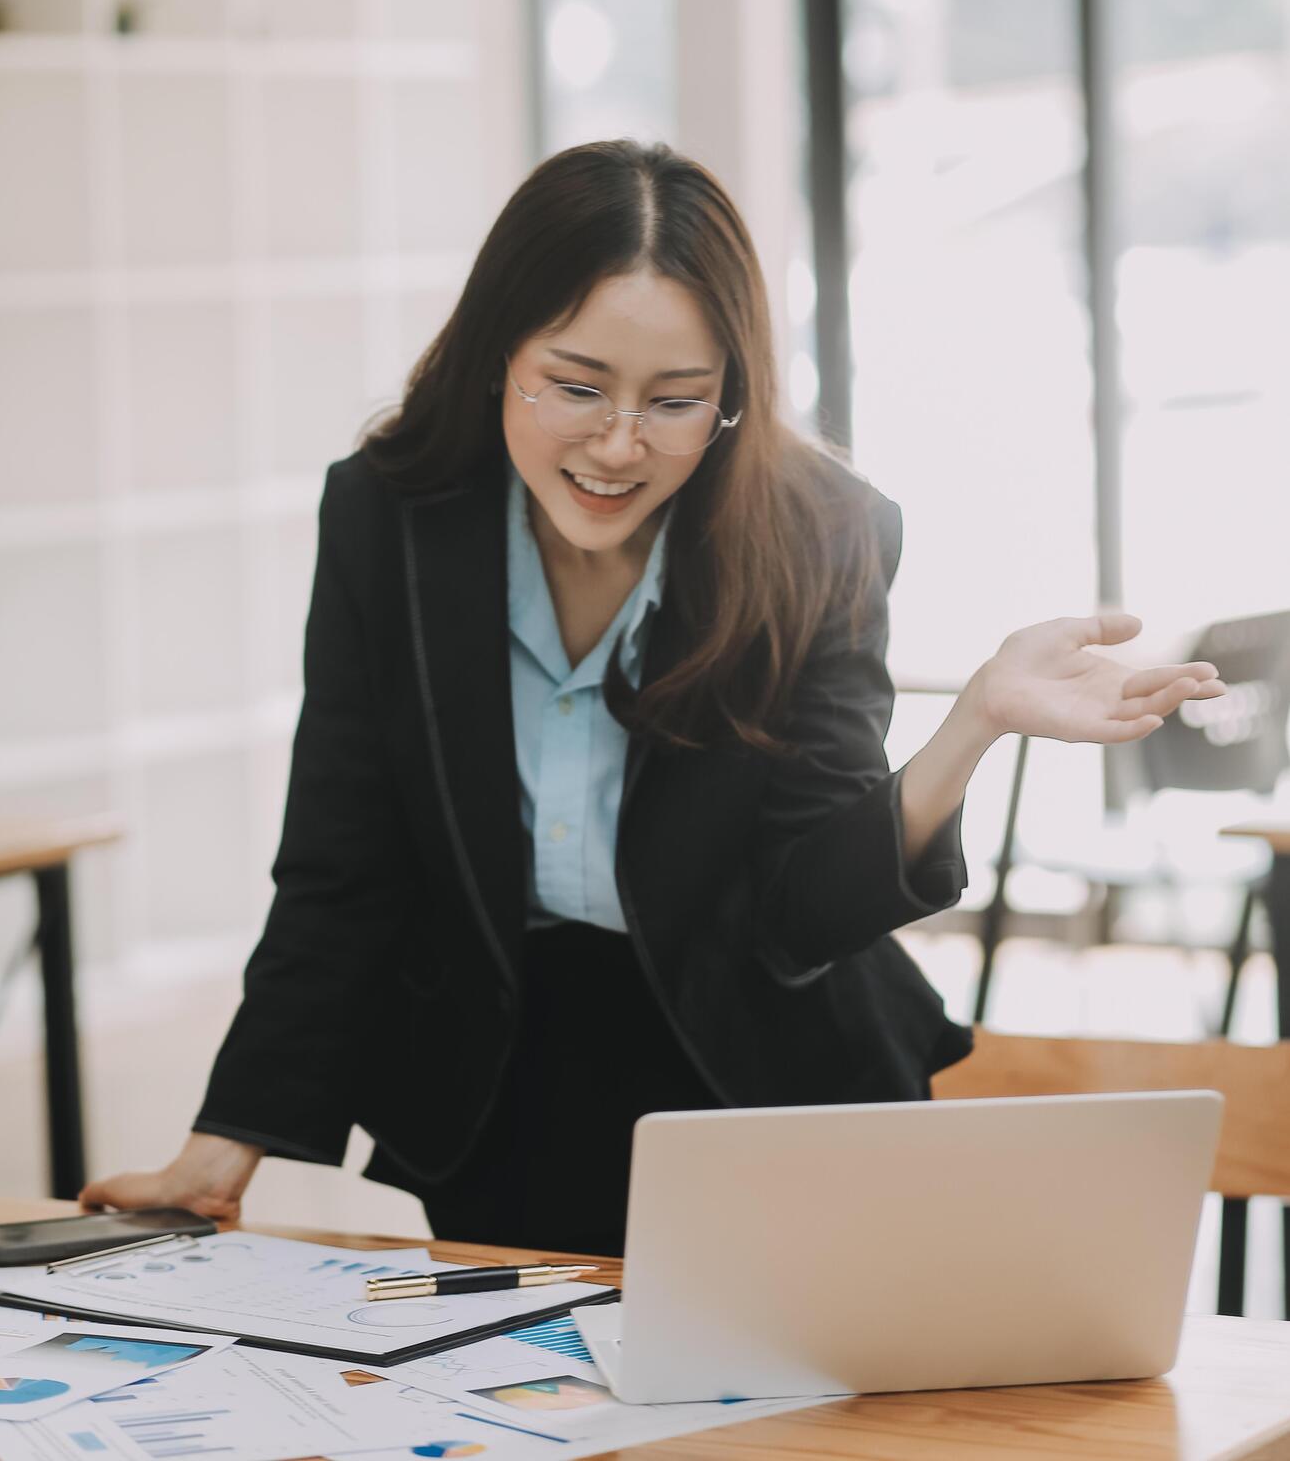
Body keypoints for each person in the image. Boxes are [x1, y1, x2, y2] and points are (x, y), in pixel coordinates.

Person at [82, 141, 1224, 1257]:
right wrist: (222, 1150)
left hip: (773, 1081)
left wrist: (971, 722)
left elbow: (802, 906)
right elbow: (342, 864)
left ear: (730, 392)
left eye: (676, 400)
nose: (617, 446)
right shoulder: (392, 517)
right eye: (574, 387)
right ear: (496, 357)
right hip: (503, 1084)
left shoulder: (818, 530)